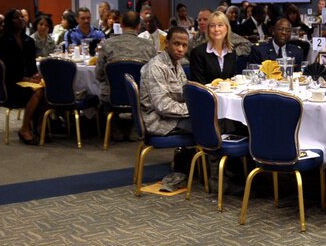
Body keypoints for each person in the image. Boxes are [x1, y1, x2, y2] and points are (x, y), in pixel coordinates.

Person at [140, 26, 195, 180]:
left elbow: (184, 94)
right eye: (176, 44)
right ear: (166, 44)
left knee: (214, 122)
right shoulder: (156, 67)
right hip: (159, 121)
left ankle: (191, 165)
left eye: (184, 46)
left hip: (173, 117)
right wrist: (193, 110)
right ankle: (213, 176)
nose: (180, 49)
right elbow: (163, 106)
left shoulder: (177, 65)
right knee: (209, 127)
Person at [0, 8, 46, 144]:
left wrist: (35, 75)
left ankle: (39, 126)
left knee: (46, 88)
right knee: (37, 91)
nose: (21, 20)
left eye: (22, 17)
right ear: (10, 21)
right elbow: (6, 68)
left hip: (26, 80)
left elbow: (31, 64)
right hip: (10, 83)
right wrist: (26, 79)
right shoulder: (3, 41)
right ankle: (24, 128)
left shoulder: (28, 41)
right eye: (17, 18)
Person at [94, 10, 155, 101]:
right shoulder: (149, 46)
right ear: (138, 26)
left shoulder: (107, 44)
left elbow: (98, 75)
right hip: (141, 97)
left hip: (111, 96)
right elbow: (154, 75)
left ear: (121, 25)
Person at [190, 11, 239, 83]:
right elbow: (199, 85)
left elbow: (232, 80)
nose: (216, 29)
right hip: (207, 94)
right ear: (208, 29)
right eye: (212, 26)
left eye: (220, 25)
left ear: (227, 28)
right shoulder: (198, 53)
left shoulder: (231, 52)